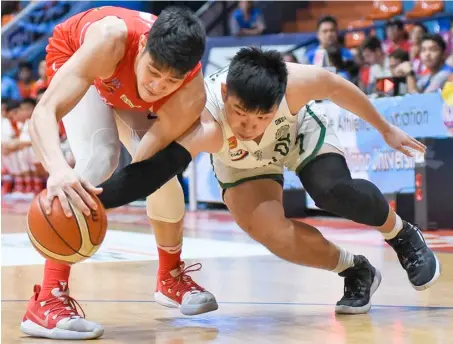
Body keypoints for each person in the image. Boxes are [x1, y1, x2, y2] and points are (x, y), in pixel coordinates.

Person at [96, 47, 440, 316]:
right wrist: (95, 200)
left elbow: (338, 88)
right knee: (273, 233)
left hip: (296, 133)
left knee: (332, 190)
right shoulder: (205, 115)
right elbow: (153, 172)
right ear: (227, 92)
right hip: (240, 163)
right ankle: (355, 269)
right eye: (241, 114)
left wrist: (385, 129)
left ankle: (401, 235)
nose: (250, 127)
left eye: (261, 117)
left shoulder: (295, 82)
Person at [22, 6, 216, 341]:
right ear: (142, 47)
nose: (157, 86)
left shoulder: (190, 94)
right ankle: (46, 300)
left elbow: (144, 166)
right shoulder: (109, 39)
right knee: (102, 156)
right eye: (153, 71)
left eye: (170, 80)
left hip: (121, 79)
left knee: (162, 176)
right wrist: (57, 170)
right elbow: (44, 112)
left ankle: (170, 277)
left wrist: (117, 193)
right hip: (80, 54)